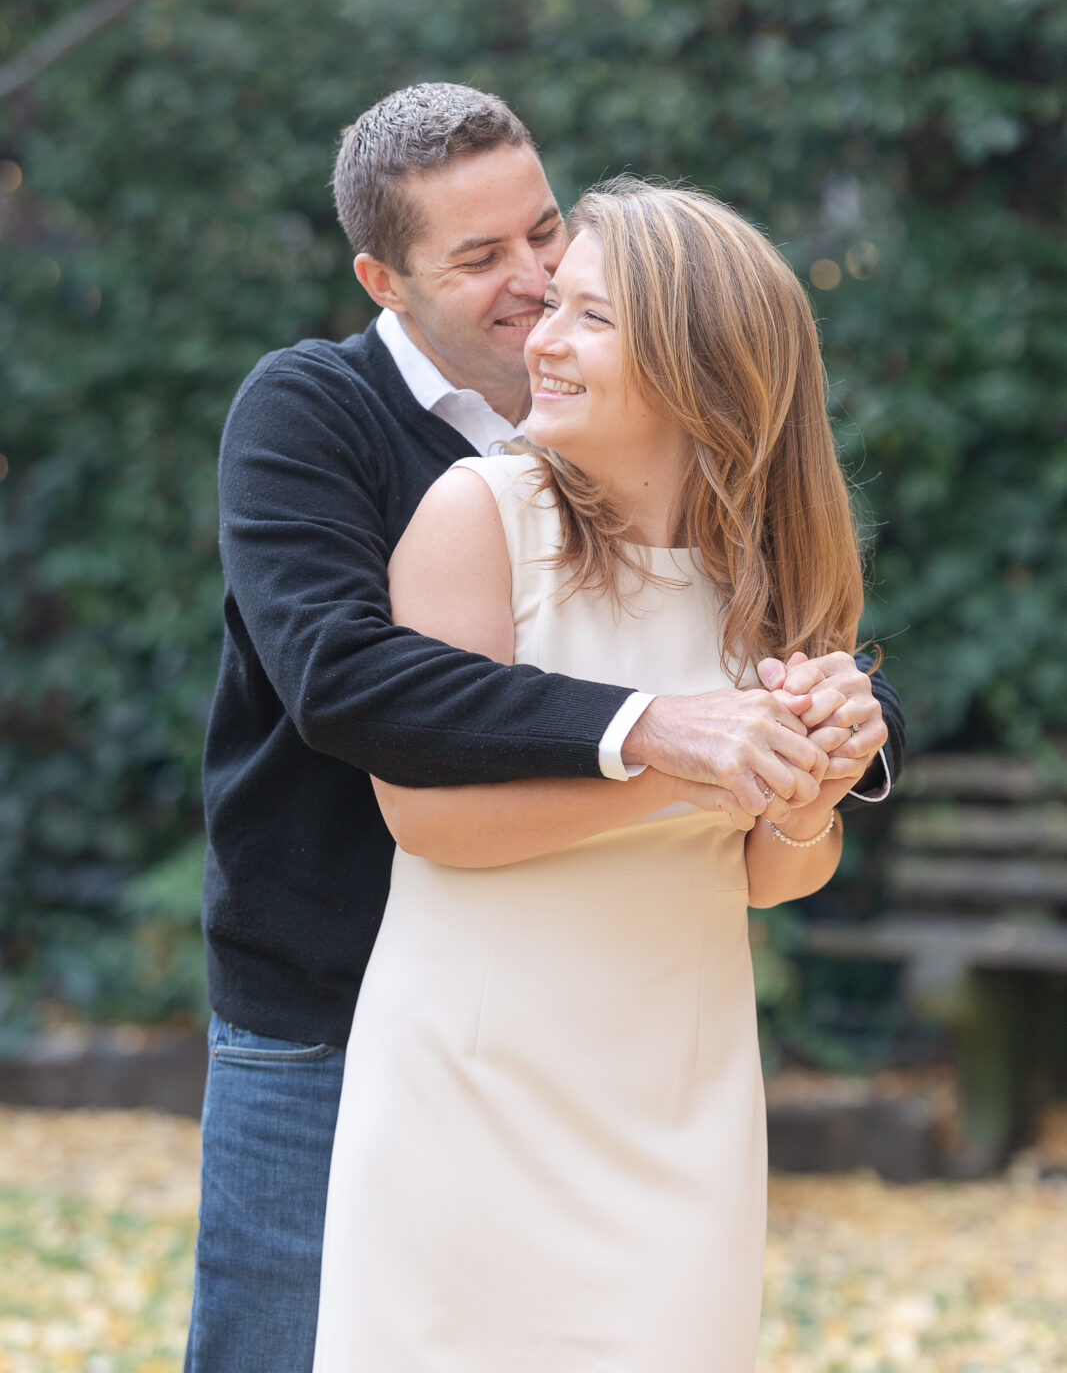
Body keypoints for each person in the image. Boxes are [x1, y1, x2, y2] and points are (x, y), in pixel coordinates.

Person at [186, 84, 903, 1373]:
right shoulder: (321, 420)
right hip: (332, 999)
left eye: (547, 238)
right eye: (480, 259)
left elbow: (786, 741)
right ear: (382, 279)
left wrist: (827, 736)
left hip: (640, 1043)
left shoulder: (688, 487)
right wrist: (671, 738)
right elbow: (351, 682)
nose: (533, 286)